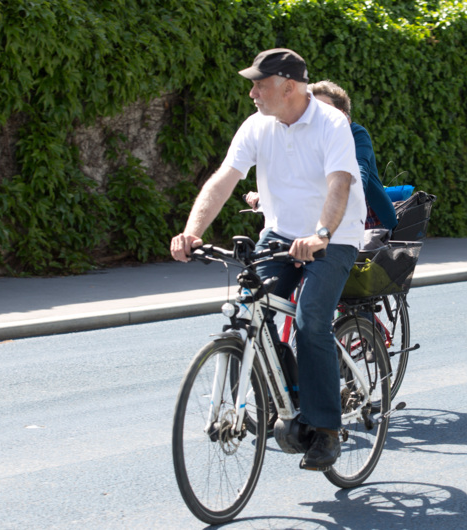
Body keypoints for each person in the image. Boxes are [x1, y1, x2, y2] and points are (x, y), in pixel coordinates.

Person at [169, 48, 366, 471]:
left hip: (334, 237)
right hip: (279, 234)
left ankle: (327, 429)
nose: (253, 92)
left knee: (312, 320)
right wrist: (193, 231)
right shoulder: (258, 125)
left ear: (289, 87)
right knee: (249, 307)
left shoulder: (331, 124)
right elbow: (224, 179)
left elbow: (339, 185)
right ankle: (291, 391)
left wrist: (321, 235)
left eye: (261, 84)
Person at [310, 80, 397, 234]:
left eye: (325, 108)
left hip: (368, 219)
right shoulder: (310, 137)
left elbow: (359, 167)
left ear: (342, 113)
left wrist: (350, 190)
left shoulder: (356, 133)